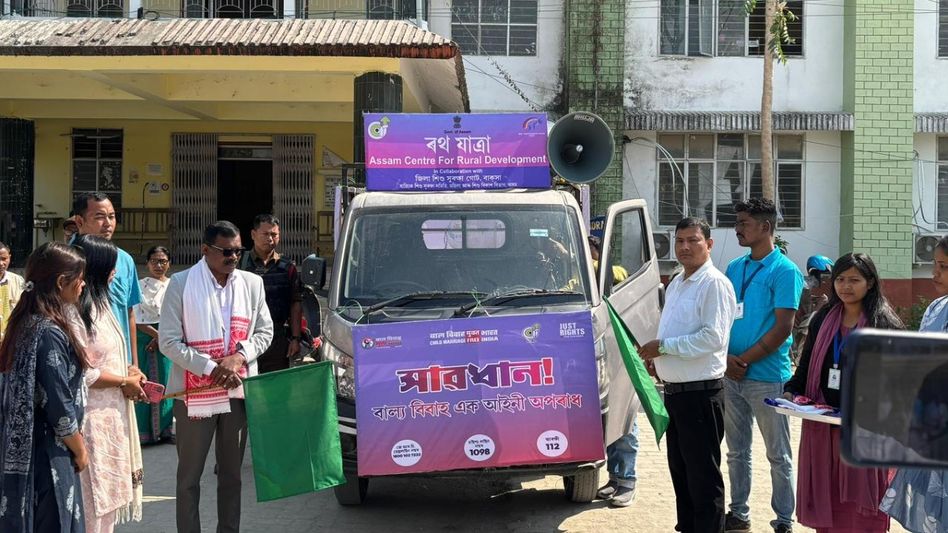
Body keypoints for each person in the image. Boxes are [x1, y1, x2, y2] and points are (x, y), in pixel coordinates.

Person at [159, 220, 273, 533]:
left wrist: (238, 357)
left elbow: (265, 332)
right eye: (226, 251)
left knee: (232, 477)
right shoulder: (181, 284)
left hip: (236, 393)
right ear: (205, 250)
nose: (233, 257)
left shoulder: (251, 284)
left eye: (238, 251)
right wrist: (212, 369)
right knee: (189, 479)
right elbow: (168, 341)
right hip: (193, 397)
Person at [783, 253, 902, 532]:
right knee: (828, 503)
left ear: (870, 283)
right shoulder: (823, 318)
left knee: (862, 512)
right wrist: (791, 391)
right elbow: (807, 363)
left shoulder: (883, 323)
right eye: (839, 279)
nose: (845, 286)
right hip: (823, 430)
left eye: (854, 280)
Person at [639, 217, 738, 533]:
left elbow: (713, 338)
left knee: (703, 477)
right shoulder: (678, 283)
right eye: (680, 240)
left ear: (708, 244)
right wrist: (660, 360)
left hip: (701, 395)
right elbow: (678, 331)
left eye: (693, 240)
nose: (685, 247)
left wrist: (664, 347)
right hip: (676, 394)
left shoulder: (715, 284)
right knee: (681, 472)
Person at [723, 198, 803, 533]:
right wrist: (727, 360)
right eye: (738, 222)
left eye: (744, 222)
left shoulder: (785, 271)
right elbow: (723, 318)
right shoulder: (733, 268)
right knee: (736, 452)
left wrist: (744, 360)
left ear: (765, 227)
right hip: (731, 375)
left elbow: (784, 326)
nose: (738, 228)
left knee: (778, 455)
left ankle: (783, 520)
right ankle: (738, 513)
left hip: (767, 378)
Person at [0, 242, 89, 532]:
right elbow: (59, 404)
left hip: (26, 448)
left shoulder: (25, 322)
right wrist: (79, 448)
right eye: (79, 278)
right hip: (50, 453)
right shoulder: (49, 332)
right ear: (63, 281)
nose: (83, 284)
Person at [72, 235, 145, 532]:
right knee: (91, 500)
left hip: (113, 417)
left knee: (109, 503)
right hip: (89, 419)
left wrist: (131, 371)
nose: (115, 273)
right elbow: (83, 372)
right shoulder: (75, 310)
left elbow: (116, 351)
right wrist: (124, 380)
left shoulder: (102, 304)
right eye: (110, 267)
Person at [881, 234, 948, 533]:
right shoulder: (935, 310)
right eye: (935, 264)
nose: (935, 273)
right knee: (932, 508)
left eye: (944, 267)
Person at [73, 193, 142, 366]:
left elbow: (129, 313)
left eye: (111, 217)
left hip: (120, 361)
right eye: (99, 217)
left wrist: (134, 364)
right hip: (81, 361)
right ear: (79, 222)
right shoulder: (66, 259)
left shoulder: (125, 260)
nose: (108, 224)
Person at [237, 214, 303, 373]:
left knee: (274, 384)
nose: (270, 238)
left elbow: (296, 303)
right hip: (245, 337)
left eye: (274, 234)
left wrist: (295, 338)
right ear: (253, 235)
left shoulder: (288, 267)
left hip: (277, 337)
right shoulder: (239, 264)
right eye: (265, 234)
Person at [134, 246, 174, 444]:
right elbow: (137, 318)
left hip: (169, 338)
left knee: (167, 382)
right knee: (146, 384)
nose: (159, 265)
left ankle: (166, 429)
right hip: (145, 337)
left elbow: (180, 315)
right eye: (155, 261)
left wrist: (163, 338)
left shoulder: (175, 285)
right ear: (148, 263)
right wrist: (157, 336)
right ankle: (144, 432)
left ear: (169, 263)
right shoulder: (140, 286)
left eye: (163, 261)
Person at [792, 255, 834, 364]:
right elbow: (808, 317)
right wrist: (820, 305)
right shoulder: (805, 288)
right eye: (825, 275)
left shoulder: (804, 285)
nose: (826, 279)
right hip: (798, 328)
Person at [0, 241, 26, 340]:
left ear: (9, 257)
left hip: (10, 343)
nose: (1, 263)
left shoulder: (18, 281)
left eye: (4, 259)